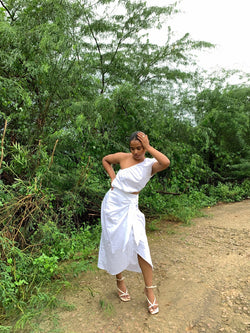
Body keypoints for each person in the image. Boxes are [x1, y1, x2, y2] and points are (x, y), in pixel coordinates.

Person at [97, 131, 170, 314]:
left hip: (130, 206)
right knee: (114, 243)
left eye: (139, 148)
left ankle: (149, 291)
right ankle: (119, 280)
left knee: (140, 243)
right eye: (133, 148)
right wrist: (113, 177)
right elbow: (106, 160)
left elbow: (166, 162)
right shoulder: (123, 157)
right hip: (112, 205)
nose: (136, 152)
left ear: (144, 147)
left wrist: (149, 147)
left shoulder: (149, 165)